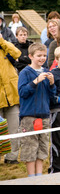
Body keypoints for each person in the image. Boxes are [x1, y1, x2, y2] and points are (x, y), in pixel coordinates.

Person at [17, 43, 56, 177]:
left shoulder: (46, 71)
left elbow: (51, 96)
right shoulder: (25, 72)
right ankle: (31, 176)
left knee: (43, 145)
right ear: (31, 56)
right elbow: (22, 92)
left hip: (44, 115)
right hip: (29, 117)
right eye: (39, 56)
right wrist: (35, 82)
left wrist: (51, 84)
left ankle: (39, 175)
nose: (42, 58)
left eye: (44, 55)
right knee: (30, 146)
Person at [0, 32, 21, 164]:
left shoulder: (5, 47)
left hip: (12, 95)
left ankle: (12, 157)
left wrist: (2, 41)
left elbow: (17, 53)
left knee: (14, 127)